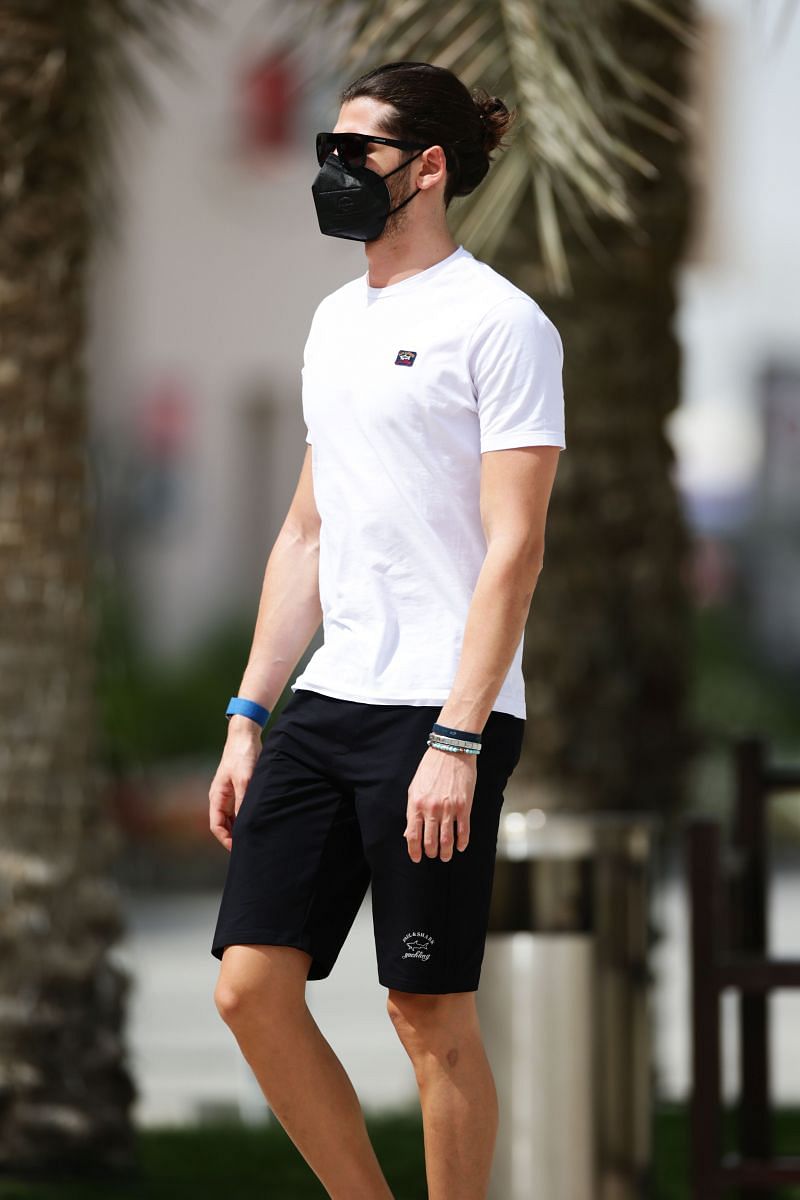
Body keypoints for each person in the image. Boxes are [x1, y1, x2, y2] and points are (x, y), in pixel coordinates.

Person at [208, 60, 566, 1200]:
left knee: (425, 1012)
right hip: (330, 699)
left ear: (427, 168)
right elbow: (308, 531)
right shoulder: (332, 322)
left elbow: (514, 548)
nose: (333, 170)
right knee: (249, 988)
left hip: (439, 710)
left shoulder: (501, 324)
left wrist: (456, 741)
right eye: (327, 146)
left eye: (355, 151)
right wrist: (248, 710)